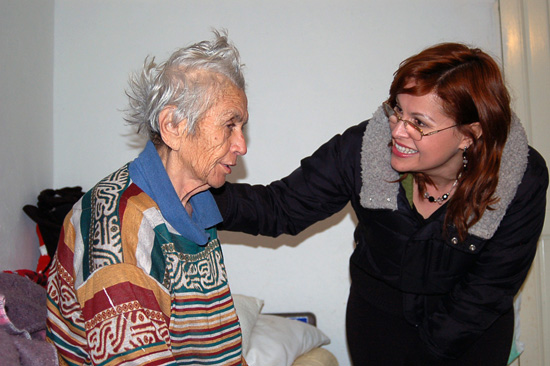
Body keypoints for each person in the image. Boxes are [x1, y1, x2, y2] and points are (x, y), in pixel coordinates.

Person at [212, 43, 548, 365]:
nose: (399, 131)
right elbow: (278, 207)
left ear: (468, 134)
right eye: (397, 110)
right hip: (378, 328)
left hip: (472, 337)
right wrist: (193, 193)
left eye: (420, 123)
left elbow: (487, 290)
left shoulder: (517, 178)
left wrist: (424, 356)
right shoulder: (364, 150)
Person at [46, 31, 249, 366]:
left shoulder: (198, 208)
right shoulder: (114, 222)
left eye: (242, 127)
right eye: (230, 125)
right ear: (172, 126)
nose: (242, 145)